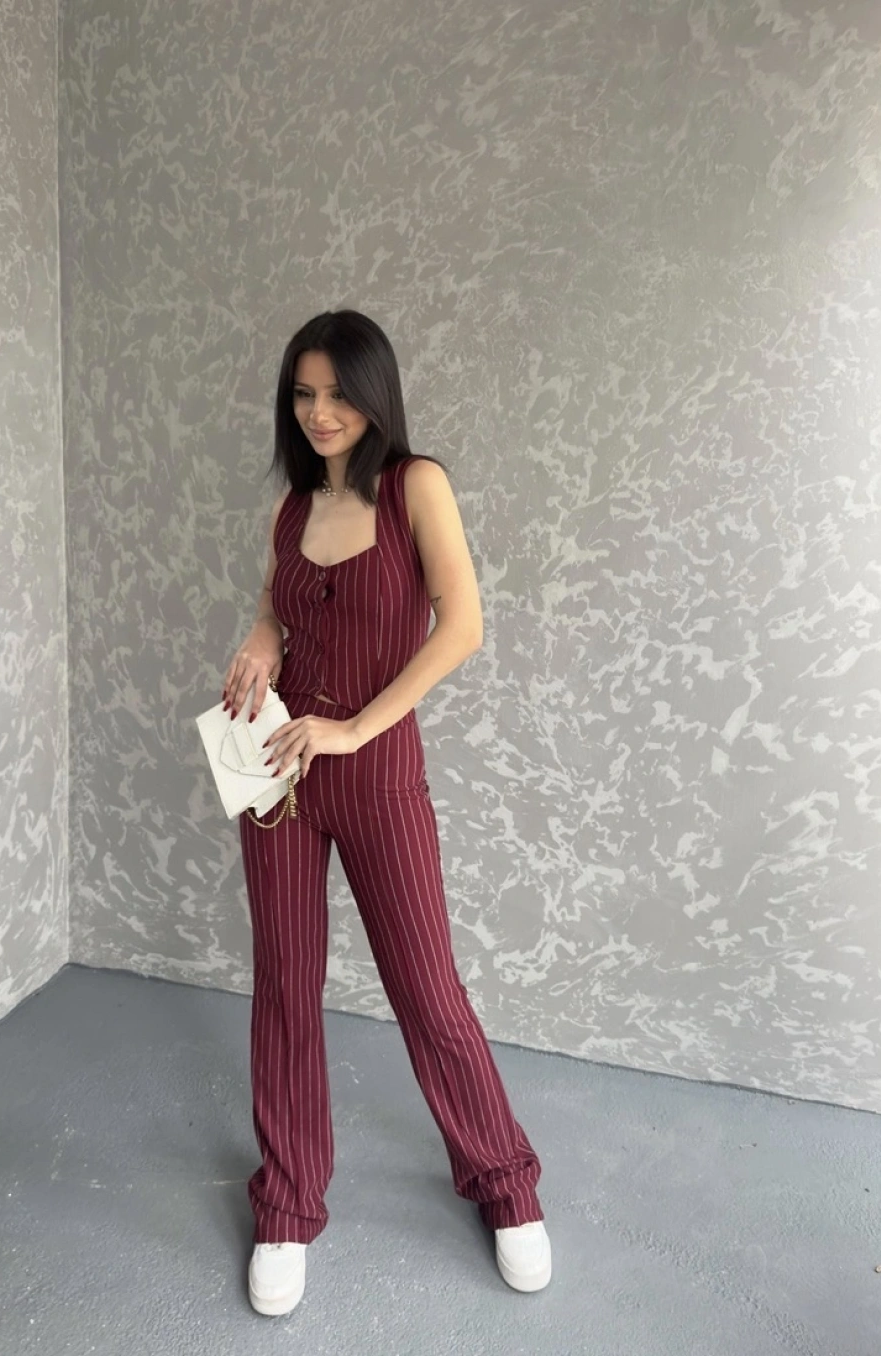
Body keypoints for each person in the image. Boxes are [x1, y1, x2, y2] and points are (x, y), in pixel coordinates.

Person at [220, 309, 550, 1317]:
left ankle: (504, 1184)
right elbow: (278, 604)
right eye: (302, 394)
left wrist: (358, 728)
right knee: (285, 986)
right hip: (277, 779)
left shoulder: (415, 486)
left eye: (336, 393)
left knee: (427, 988)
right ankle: (287, 1205)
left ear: (375, 394)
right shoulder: (292, 509)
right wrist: (261, 637)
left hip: (375, 775)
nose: (318, 413)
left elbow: (464, 625)